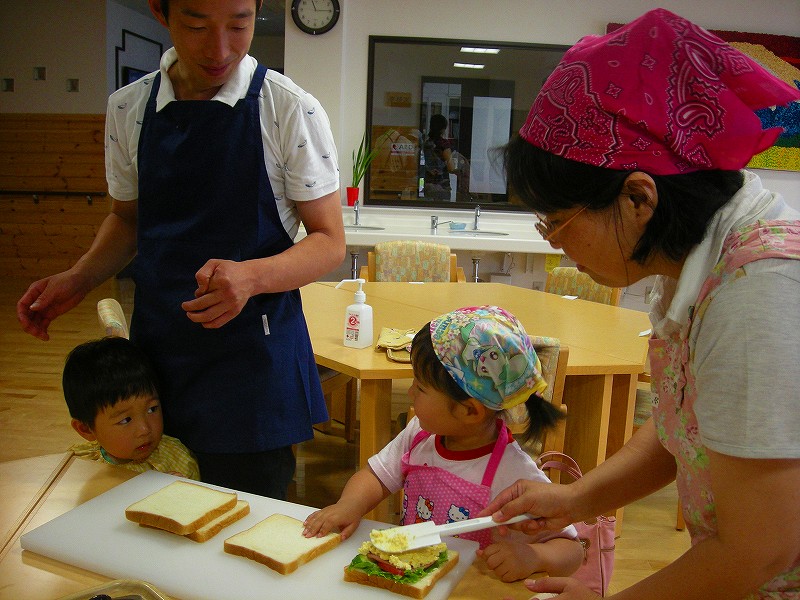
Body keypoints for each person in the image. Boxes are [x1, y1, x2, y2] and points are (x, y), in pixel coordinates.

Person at [479, 8, 800, 599]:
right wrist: (576, 499)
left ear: (638, 198)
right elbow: (686, 421)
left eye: (558, 222)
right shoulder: (696, 263)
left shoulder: (758, 294)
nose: (556, 245)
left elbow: (759, 549)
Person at [16, 0, 345, 499]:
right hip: (159, 362)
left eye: (240, 25)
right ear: (161, 11)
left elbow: (329, 242)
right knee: (153, 513)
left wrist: (250, 277)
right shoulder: (128, 108)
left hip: (252, 364)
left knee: (244, 521)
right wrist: (80, 276)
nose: (220, 48)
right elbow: (128, 219)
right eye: (196, 25)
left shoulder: (287, 107)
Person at [303, 306, 584, 582]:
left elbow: (572, 549)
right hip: (413, 579)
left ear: (470, 410)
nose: (410, 392)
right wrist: (349, 505)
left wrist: (535, 557)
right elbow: (376, 476)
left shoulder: (515, 474)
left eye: (420, 387)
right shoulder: (419, 435)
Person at [63, 337, 200, 480]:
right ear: (86, 429)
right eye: (125, 420)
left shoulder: (177, 459)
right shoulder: (78, 467)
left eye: (152, 409)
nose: (144, 429)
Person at [422, 113, 458, 200]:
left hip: (428, 183)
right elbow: (451, 168)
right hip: (442, 184)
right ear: (443, 129)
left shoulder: (426, 144)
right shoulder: (444, 144)